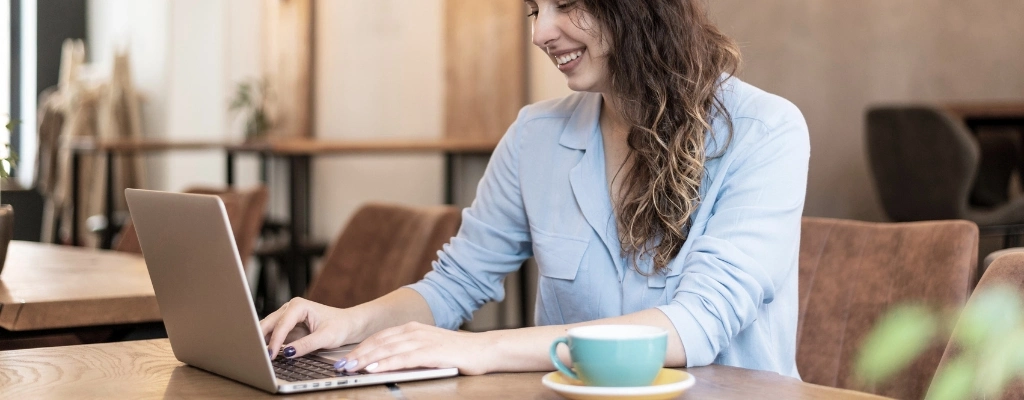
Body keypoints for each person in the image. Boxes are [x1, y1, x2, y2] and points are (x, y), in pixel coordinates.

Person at [261, 0, 808, 378]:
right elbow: (455, 283)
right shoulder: (535, 135)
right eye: (534, 9)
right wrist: (349, 321)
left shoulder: (766, 131)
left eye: (566, 4)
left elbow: (694, 326)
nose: (540, 32)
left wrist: (485, 347)